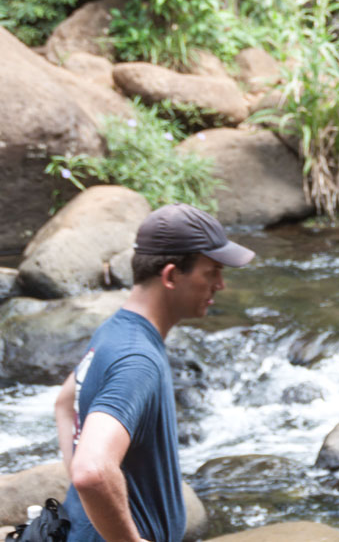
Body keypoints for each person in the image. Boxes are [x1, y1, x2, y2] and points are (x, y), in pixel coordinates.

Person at [54, 204, 254, 542]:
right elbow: (91, 471)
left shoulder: (115, 330)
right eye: (213, 271)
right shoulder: (137, 358)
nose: (220, 284)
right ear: (171, 275)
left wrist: (82, 503)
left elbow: (63, 402)